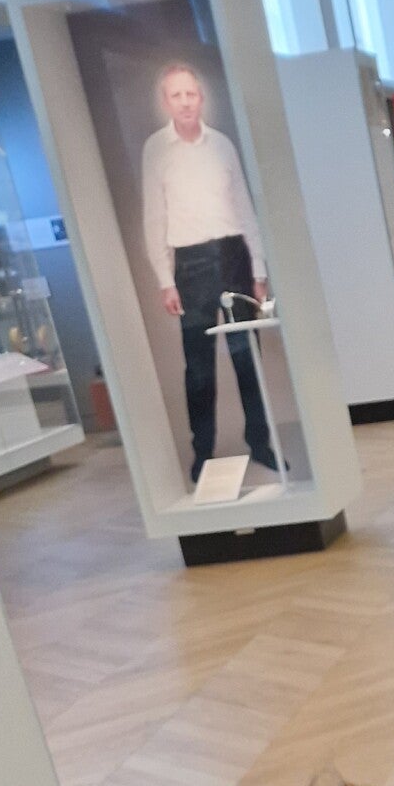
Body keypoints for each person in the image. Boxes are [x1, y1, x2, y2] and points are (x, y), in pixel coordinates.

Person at [142, 62, 276, 484]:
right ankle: (203, 453)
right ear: (166, 102)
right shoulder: (156, 150)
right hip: (191, 264)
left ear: (201, 98)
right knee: (198, 368)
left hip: (234, 255)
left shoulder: (221, 145)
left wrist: (258, 268)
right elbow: (154, 218)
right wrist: (166, 280)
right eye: (176, 95)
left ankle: (261, 442)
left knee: (247, 357)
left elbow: (244, 208)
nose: (185, 102)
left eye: (191, 94)